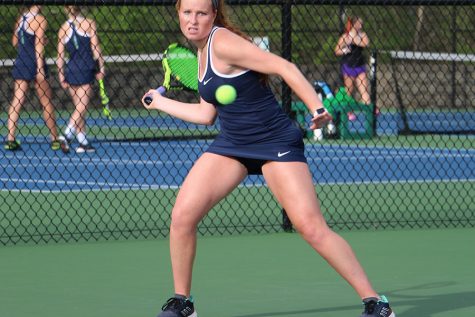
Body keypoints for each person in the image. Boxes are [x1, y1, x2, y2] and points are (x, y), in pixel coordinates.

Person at [142, 1, 396, 316]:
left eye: (201, 13)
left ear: (214, 15)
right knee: (182, 216)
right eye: (187, 12)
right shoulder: (202, 51)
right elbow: (207, 114)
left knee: (311, 227)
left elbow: (284, 67)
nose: (193, 20)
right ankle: (183, 302)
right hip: (233, 143)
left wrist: (317, 108)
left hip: (274, 142)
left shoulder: (223, 42)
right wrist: (160, 103)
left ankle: (376, 303)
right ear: (178, 13)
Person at [5, 5, 67, 152]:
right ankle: (54, 139)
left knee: (17, 100)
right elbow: (38, 46)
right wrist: (39, 69)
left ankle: (10, 139)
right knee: (46, 102)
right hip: (34, 62)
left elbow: (15, 42)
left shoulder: (21, 19)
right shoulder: (40, 19)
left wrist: (30, 42)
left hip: (21, 61)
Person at [57, 5, 105, 153]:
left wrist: (61, 75)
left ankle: (82, 141)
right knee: (81, 107)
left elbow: (60, 56)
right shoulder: (89, 23)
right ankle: (67, 134)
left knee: (79, 107)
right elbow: (95, 47)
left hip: (71, 70)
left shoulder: (62, 28)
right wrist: (101, 67)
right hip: (85, 69)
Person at [334, 16, 374, 121]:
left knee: (364, 90)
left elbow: (366, 44)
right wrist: (344, 49)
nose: (361, 25)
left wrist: (353, 40)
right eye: (359, 23)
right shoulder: (344, 36)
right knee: (349, 91)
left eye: (361, 23)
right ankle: (348, 112)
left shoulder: (363, 35)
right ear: (353, 24)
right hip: (348, 66)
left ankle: (369, 115)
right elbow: (336, 50)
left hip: (360, 66)